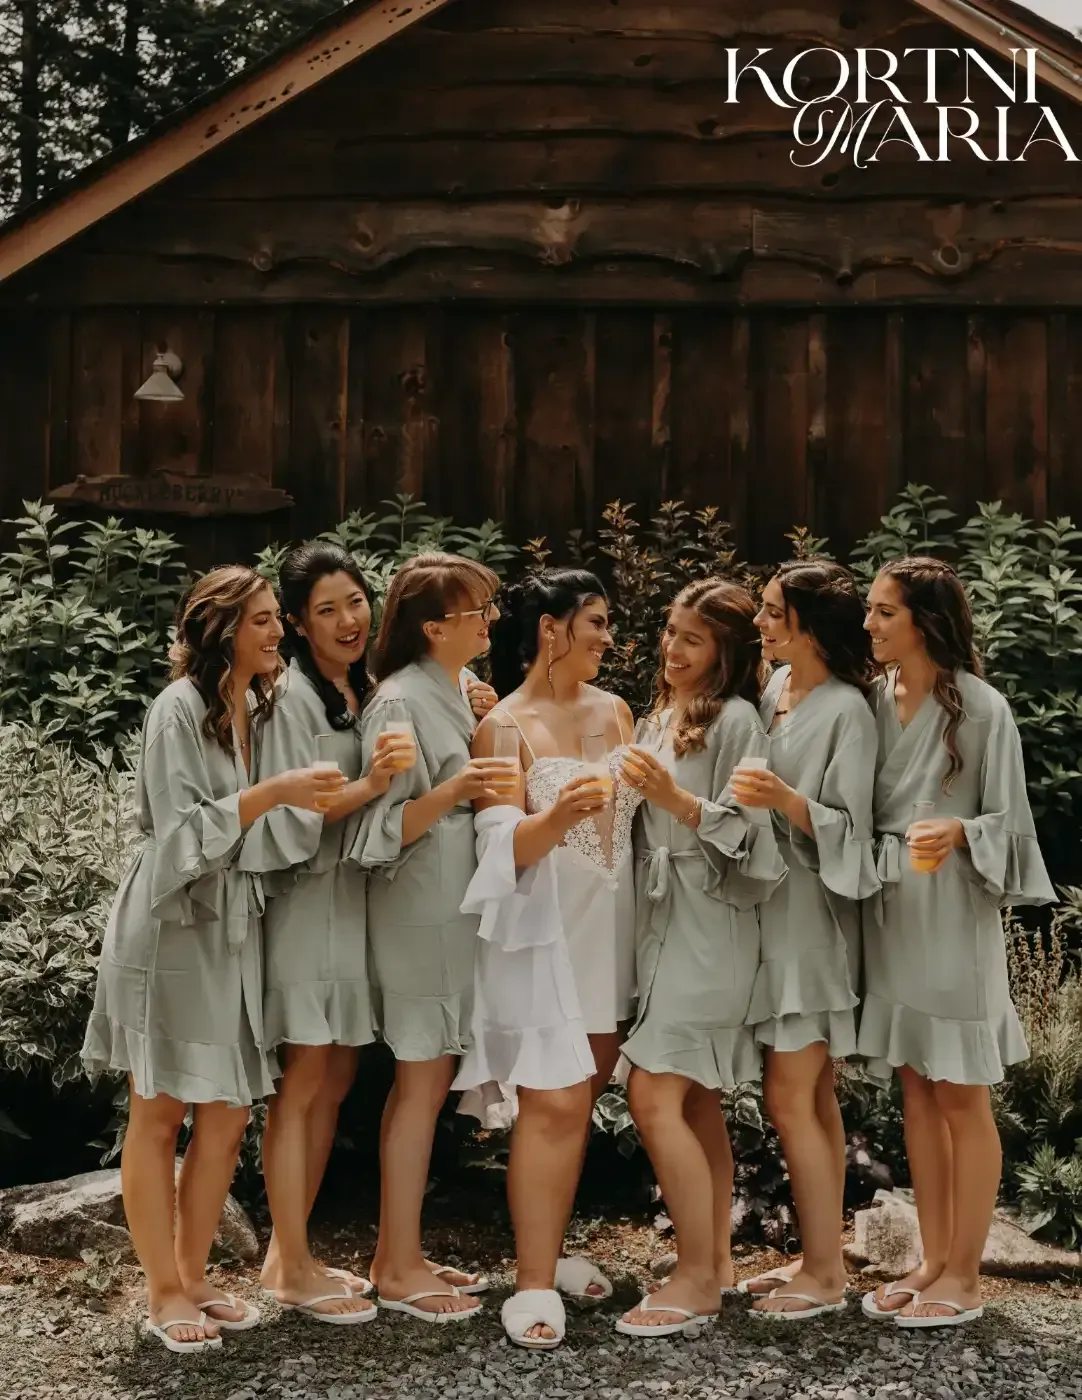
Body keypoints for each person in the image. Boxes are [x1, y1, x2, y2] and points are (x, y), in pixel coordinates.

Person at [81, 567, 345, 1354]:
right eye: (263, 620)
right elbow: (178, 836)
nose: (277, 632)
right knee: (159, 1110)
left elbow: (261, 827)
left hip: (230, 924)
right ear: (222, 628)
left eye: (275, 619)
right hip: (170, 926)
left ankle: (195, 1276)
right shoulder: (178, 709)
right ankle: (163, 1293)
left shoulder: (250, 707)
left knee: (227, 1114)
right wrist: (276, 793)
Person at [859, 556, 1055, 1328]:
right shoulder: (871, 701)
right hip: (892, 916)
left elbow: (1011, 826)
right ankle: (932, 1260)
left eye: (883, 612)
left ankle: (967, 1278)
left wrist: (961, 830)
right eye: (870, 611)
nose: (869, 625)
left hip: (953, 920)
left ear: (925, 621)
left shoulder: (983, 708)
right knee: (914, 1087)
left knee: (961, 1094)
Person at [453, 568, 639, 1351]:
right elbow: (497, 850)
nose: (606, 635)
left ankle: (550, 1250)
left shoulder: (619, 712)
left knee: (581, 1099)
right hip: (544, 937)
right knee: (554, 1106)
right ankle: (531, 1283)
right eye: (594, 621)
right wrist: (557, 810)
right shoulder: (503, 726)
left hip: (613, 930)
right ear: (550, 630)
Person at [613, 579, 786, 1339]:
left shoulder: (740, 722)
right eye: (671, 631)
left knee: (653, 1094)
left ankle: (693, 1279)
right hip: (661, 922)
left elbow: (756, 845)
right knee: (693, 1099)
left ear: (727, 650)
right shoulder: (663, 715)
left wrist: (677, 803)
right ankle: (712, 1261)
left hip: (713, 924)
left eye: (692, 638)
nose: (672, 648)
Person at [241, 542, 404, 1323]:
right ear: (300, 627)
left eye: (356, 600)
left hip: (352, 901)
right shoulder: (290, 696)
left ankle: (286, 1253)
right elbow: (292, 806)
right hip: (308, 902)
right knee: (304, 1082)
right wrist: (373, 784)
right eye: (327, 610)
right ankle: (292, 1265)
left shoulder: (359, 685)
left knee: (336, 1075)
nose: (348, 619)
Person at [351, 552, 507, 1323]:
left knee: (430, 1076)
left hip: (453, 899)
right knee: (420, 1077)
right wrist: (455, 788)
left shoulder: (451, 691)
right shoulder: (399, 702)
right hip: (419, 901)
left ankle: (397, 1252)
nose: (490, 621)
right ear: (434, 626)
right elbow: (375, 829)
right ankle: (400, 1263)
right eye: (479, 611)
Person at [736, 560, 880, 1318]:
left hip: (812, 925)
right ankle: (819, 1262)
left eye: (770, 612)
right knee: (810, 1096)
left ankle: (824, 1276)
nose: (759, 623)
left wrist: (788, 801)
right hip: (769, 915)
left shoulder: (848, 711)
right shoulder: (773, 691)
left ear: (808, 622)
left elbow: (856, 837)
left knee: (792, 1095)